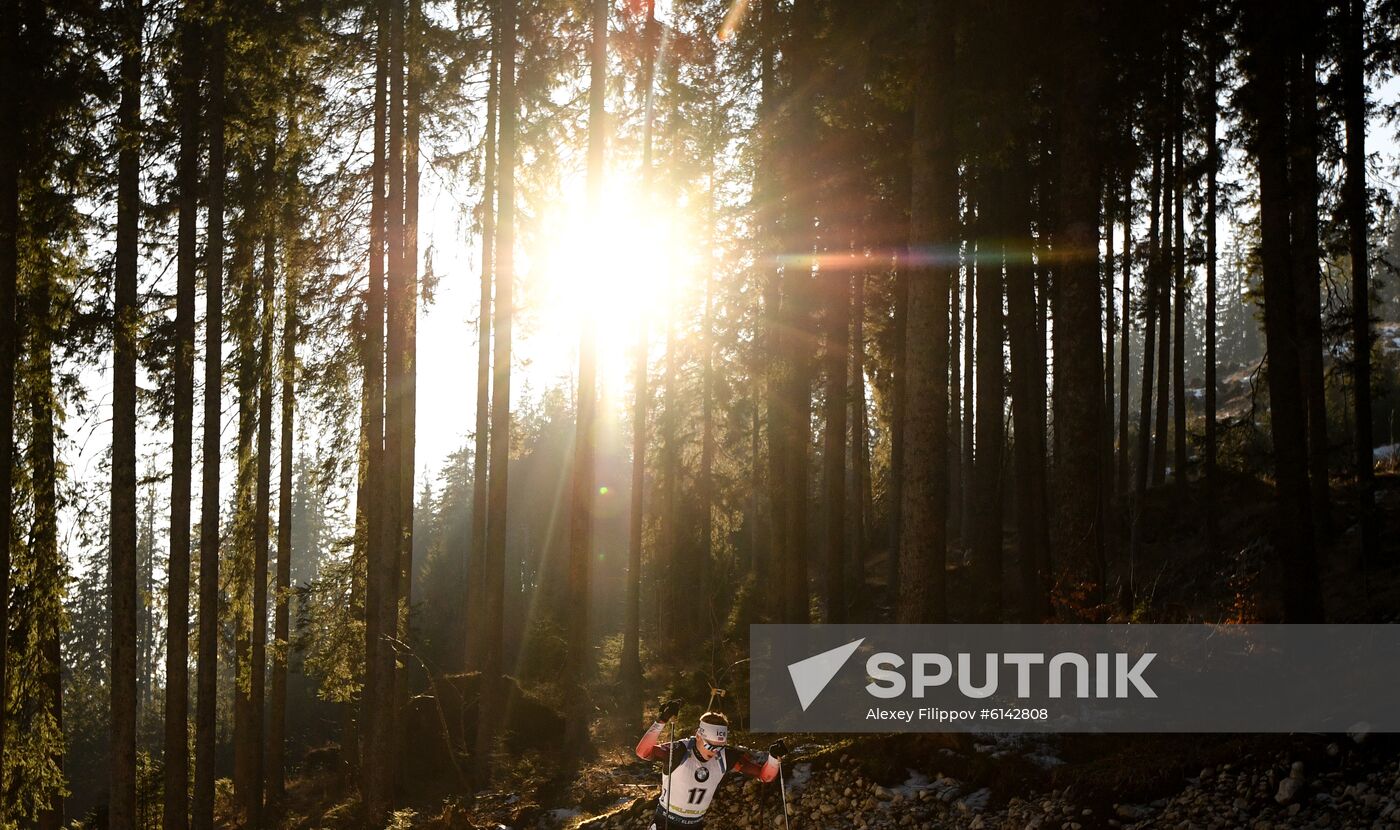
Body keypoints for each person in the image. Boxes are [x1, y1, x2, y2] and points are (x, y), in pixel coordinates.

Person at [634, 700, 788, 829]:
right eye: (710, 746)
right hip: (666, 822)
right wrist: (662, 720)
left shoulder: (726, 756)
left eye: (719, 747)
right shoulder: (680, 750)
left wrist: (774, 759)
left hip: (695, 825)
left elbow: (765, 776)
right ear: (698, 736)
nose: (714, 751)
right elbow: (643, 752)